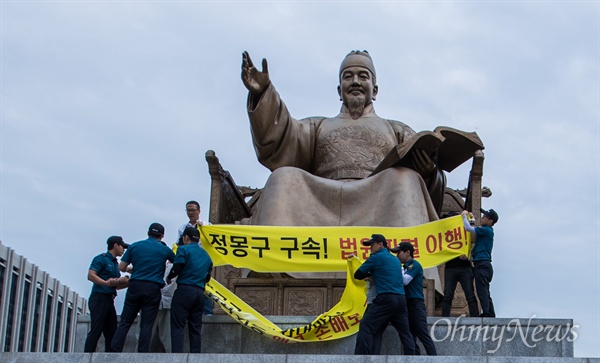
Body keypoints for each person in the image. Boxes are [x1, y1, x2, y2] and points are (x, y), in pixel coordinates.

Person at [240, 50, 445, 228]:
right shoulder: (318, 125)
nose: (355, 82)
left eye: (363, 76)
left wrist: (429, 173)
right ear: (339, 90)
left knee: (405, 178)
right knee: (282, 176)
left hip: (379, 201)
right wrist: (264, 93)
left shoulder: (396, 129)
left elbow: (420, 173)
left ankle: (403, 262)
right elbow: (282, 136)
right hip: (323, 199)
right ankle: (276, 264)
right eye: (348, 77)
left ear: (374, 90)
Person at [110, 223, 175, 352]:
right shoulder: (165, 249)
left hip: (135, 286)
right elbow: (177, 264)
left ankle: (114, 351)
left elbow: (121, 267)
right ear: (162, 236)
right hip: (153, 288)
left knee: (125, 322)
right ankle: (142, 354)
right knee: (147, 324)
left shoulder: (135, 246)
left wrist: (135, 269)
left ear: (148, 233)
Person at [353, 234, 415, 355]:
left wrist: (371, 275)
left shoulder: (375, 257)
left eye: (372, 244)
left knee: (366, 326)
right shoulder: (395, 260)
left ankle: (361, 358)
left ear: (380, 244)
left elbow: (358, 274)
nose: (370, 248)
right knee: (405, 333)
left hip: (385, 299)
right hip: (401, 300)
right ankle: (411, 359)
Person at [167, 226, 213, 353]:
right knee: (195, 328)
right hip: (199, 294)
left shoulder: (183, 249)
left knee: (177, 326)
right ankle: (195, 357)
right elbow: (207, 278)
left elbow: (178, 266)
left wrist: (169, 277)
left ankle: (177, 357)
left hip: (184, 290)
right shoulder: (206, 256)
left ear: (185, 237)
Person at [84, 236, 130, 352]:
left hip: (110, 299)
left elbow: (115, 286)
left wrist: (129, 282)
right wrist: (105, 283)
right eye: (122, 247)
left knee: (112, 332)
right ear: (115, 245)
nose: (123, 250)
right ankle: (87, 356)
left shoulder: (115, 264)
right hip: (99, 297)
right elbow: (91, 275)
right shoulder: (101, 259)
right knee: (96, 330)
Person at [392, 242, 437, 355]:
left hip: (415, 304)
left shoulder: (414, 265)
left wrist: (398, 268)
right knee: (409, 336)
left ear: (408, 252)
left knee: (422, 334)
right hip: (405, 303)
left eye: (399, 252)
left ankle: (434, 358)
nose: (397, 255)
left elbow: (405, 281)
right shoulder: (404, 267)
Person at [462, 208, 499, 317]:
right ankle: (490, 313)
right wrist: (472, 218)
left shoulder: (486, 230)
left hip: (482, 265)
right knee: (485, 291)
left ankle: (486, 313)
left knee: (482, 291)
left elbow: (468, 228)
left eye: (484, 217)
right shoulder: (486, 230)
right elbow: (473, 228)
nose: (482, 218)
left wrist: (464, 216)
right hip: (484, 265)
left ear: (490, 221)